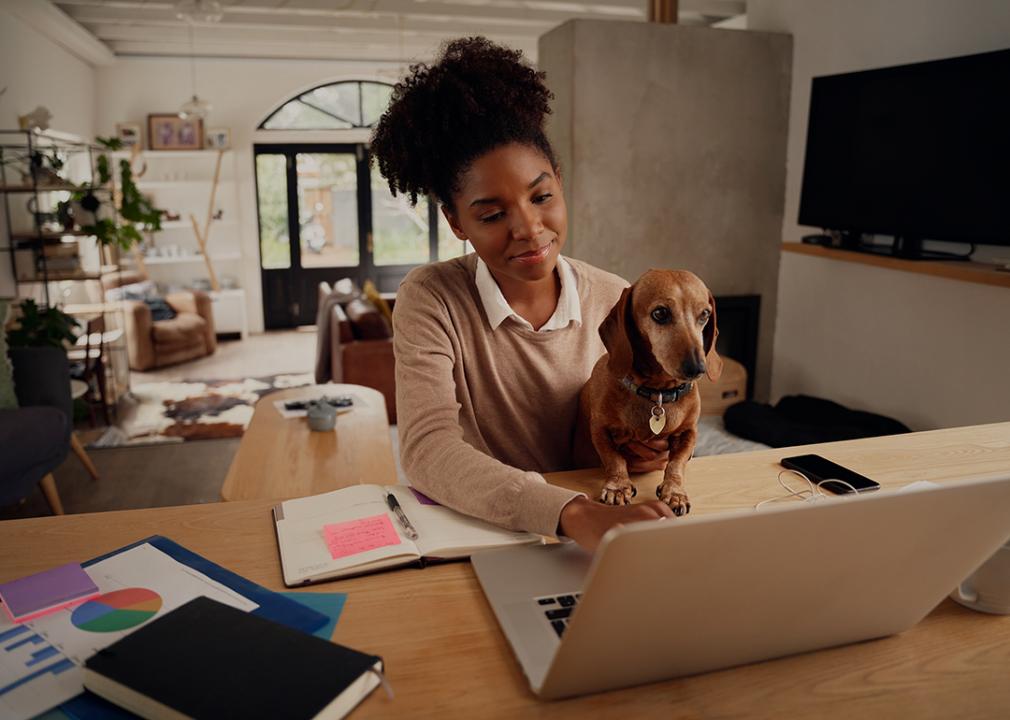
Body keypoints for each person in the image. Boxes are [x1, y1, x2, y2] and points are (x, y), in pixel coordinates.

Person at [370, 37, 674, 551]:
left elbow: (638, 432)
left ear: (561, 182)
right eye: (492, 214)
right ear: (456, 221)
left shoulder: (618, 297)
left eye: (542, 196)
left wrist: (646, 450)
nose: (530, 229)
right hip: (487, 528)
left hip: (603, 525)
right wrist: (569, 514)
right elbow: (425, 449)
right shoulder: (432, 297)